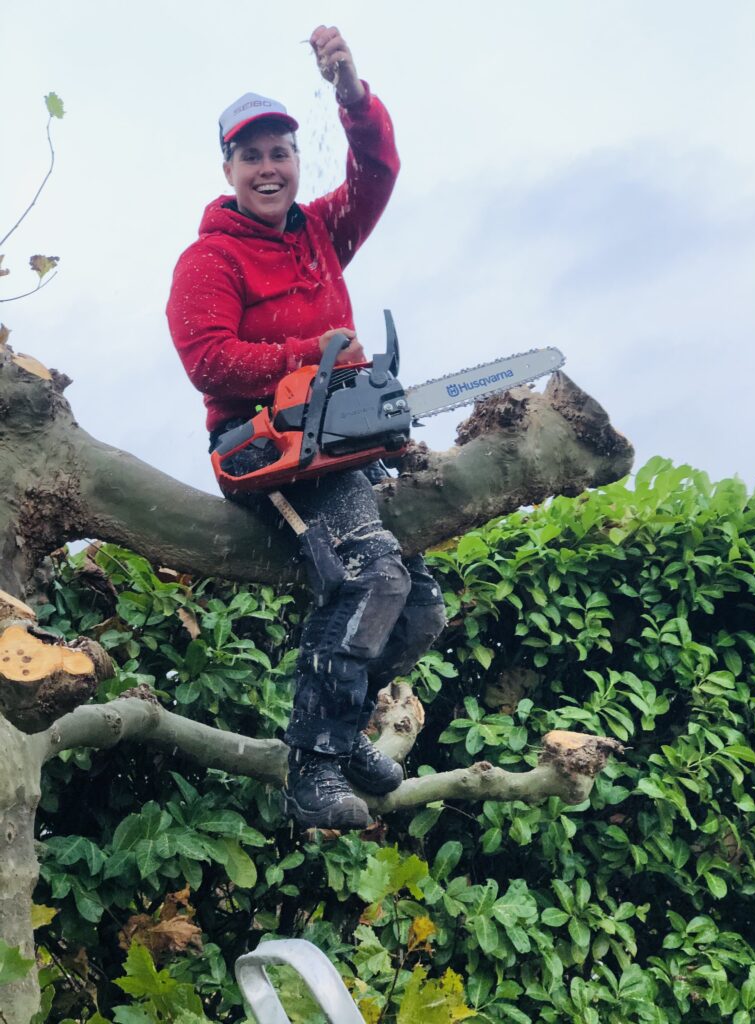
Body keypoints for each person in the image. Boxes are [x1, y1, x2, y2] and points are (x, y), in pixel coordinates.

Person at [167, 26, 445, 830]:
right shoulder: (209, 261)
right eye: (251, 156)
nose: (268, 168)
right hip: (263, 452)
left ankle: (345, 715)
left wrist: (351, 94)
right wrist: (313, 356)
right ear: (229, 169)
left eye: (280, 152)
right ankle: (314, 765)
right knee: (372, 578)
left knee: (422, 608)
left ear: (295, 160)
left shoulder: (320, 231)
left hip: (340, 452)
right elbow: (210, 361)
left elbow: (379, 171)